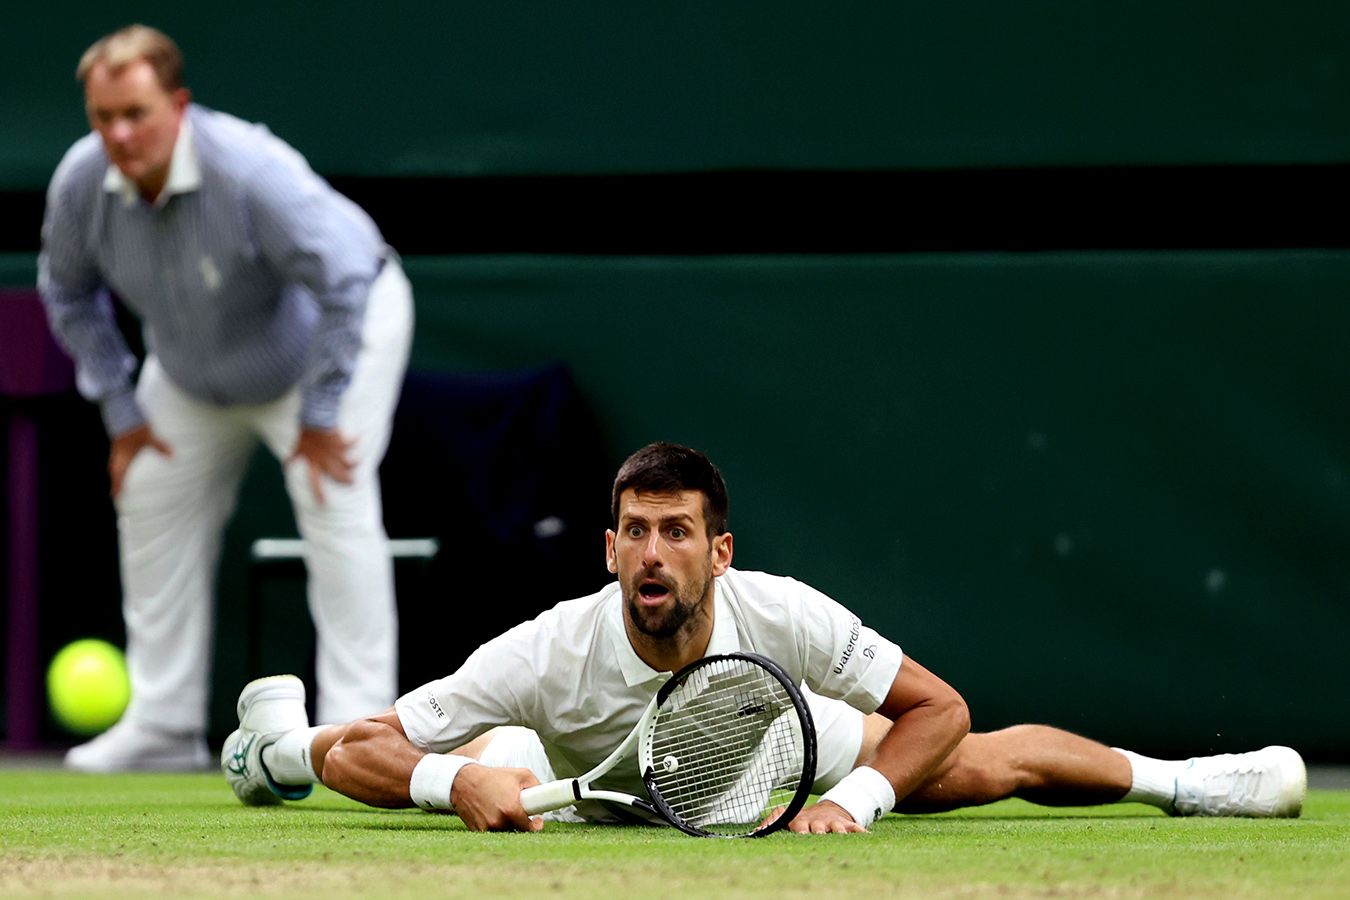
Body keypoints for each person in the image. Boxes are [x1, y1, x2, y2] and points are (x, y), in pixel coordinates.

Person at [222, 442, 1306, 832]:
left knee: (984, 766)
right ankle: (272, 752)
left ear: (718, 551)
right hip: (602, 768)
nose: (655, 554)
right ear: (608, 549)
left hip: (781, 749)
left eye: (677, 533)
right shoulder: (549, 648)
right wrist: (442, 788)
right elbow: (375, 742)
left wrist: (852, 801)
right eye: (635, 533)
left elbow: (942, 709)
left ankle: (1191, 782)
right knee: (460, 757)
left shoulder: (783, 610)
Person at [38, 24, 412, 772]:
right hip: (189, 372)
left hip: (330, 341)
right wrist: (121, 412)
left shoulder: (250, 170)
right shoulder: (82, 183)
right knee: (146, 487)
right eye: (103, 117)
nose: (118, 133)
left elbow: (344, 276)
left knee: (330, 488)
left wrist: (320, 413)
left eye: (136, 113)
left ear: (178, 104)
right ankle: (163, 724)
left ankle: (356, 731)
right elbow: (68, 294)